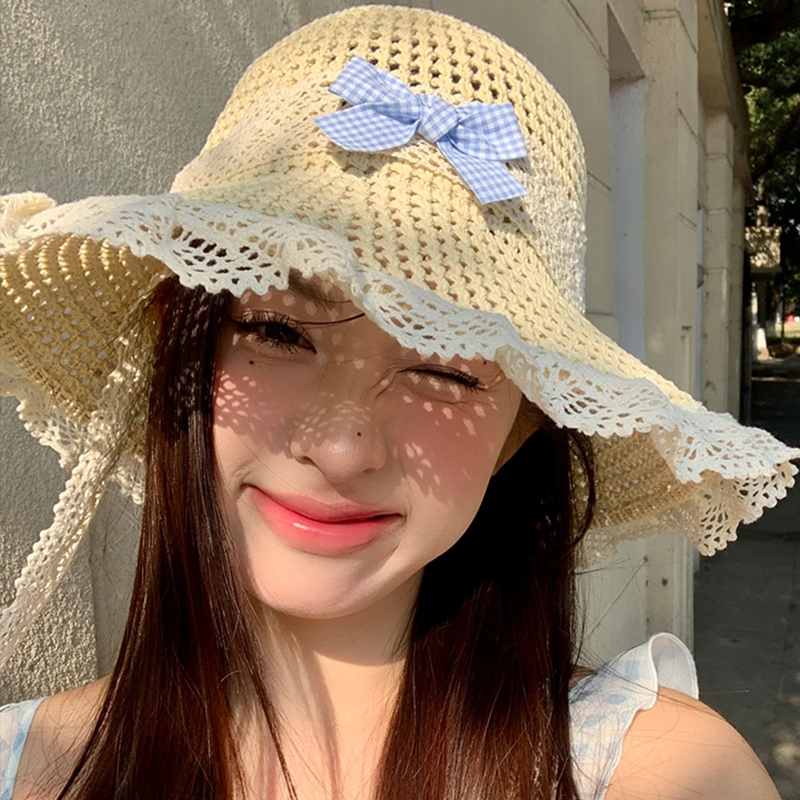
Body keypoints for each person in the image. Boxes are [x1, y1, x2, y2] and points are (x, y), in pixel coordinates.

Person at [0, 5, 795, 799]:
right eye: (277, 330)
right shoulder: (23, 767)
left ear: (522, 429)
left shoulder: (670, 777)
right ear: (183, 347)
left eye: (446, 373)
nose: (342, 448)